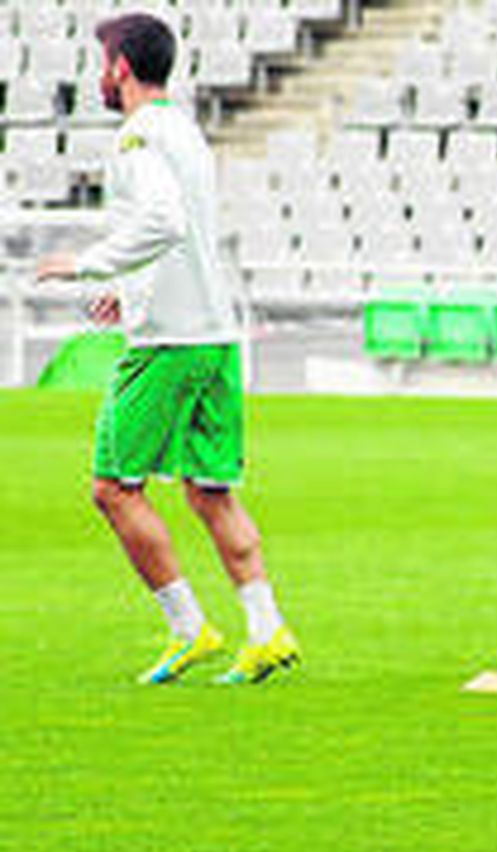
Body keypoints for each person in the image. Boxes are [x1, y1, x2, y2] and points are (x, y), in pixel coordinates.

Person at [35, 12, 299, 686]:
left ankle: (191, 629)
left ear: (120, 66)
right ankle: (267, 631)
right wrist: (130, 289)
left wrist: (89, 265)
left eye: (103, 61)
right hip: (214, 335)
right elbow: (187, 234)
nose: (100, 74)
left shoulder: (137, 136)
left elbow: (162, 218)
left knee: (113, 489)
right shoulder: (186, 132)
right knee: (211, 493)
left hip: (169, 344)